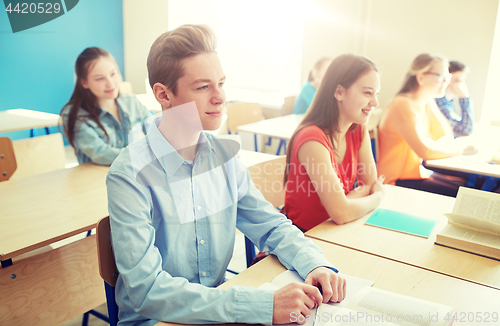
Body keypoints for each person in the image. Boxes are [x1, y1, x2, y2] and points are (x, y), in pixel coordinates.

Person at [106, 24, 346, 326]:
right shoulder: (129, 174)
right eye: (203, 87)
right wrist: (260, 305)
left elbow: (271, 226)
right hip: (155, 321)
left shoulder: (225, 157)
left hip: (215, 308)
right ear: (163, 94)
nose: (220, 97)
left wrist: (314, 264)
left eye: (221, 83)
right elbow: (147, 291)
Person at [283, 54, 385, 232]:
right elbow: (341, 213)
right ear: (339, 92)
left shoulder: (358, 129)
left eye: (376, 94)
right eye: (368, 92)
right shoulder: (312, 139)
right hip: (305, 237)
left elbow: (369, 184)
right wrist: (377, 197)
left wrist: (345, 204)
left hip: (336, 231)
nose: (375, 102)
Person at [378, 54, 476, 197]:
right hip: (396, 180)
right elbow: (425, 152)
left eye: (447, 77)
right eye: (441, 77)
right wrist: (461, 150)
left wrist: (435, 145)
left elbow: (445, 135)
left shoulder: (426, 101)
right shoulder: (402, 104)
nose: (446, 82)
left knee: (467, 188)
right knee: (466, 195)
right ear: (421, 77)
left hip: (417, 173)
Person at [60, 47, 152, 165]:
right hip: (95, 178)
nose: (110, 83)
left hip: (131, 173)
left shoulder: (131, 101)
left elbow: (155, 133)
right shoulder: (74, 114)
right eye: (100, 78)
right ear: (84, 82)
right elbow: (100, 154)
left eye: (113, 74)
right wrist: (142, 154)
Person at [435, 61, 474, 137]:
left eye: (462, 81)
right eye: (456, 80)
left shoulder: (448, 102)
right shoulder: (439, 102)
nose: (460, 85)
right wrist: (464, 97)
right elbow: (466, 130)